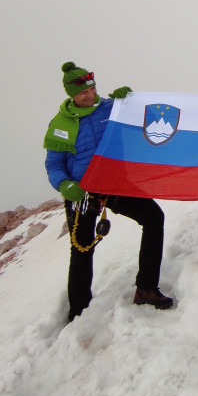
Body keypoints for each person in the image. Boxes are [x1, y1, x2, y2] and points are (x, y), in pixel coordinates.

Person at [44, 61, 173, 321]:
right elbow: (54, 164)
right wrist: (65, 185)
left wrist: (131, 101)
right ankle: (79, 310)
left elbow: (142, 121)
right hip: (81, 192)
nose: (90, 95)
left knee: (153, 218)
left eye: (92, 89)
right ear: (71, 94)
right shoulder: (61, 124)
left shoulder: (111, 108)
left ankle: (146, 288)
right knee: (81, 249)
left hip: (114, 183)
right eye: (83, 93)